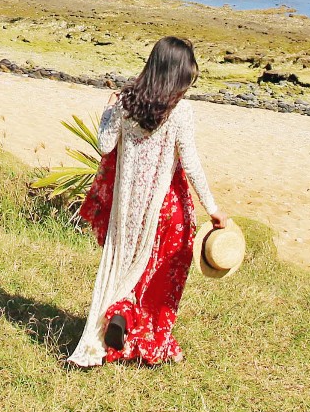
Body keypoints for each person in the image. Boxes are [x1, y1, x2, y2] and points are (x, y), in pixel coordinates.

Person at [68, 36, 232, 368]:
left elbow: (104, 146)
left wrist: (108, 110)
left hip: (127, 209)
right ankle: (150, 340)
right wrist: (212, 208)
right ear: (176, 75)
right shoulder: (181, 110)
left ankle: (122, 317)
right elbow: (190, 162)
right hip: (166, 208)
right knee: (160, 274)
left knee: (125, 268)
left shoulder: (125, 104)